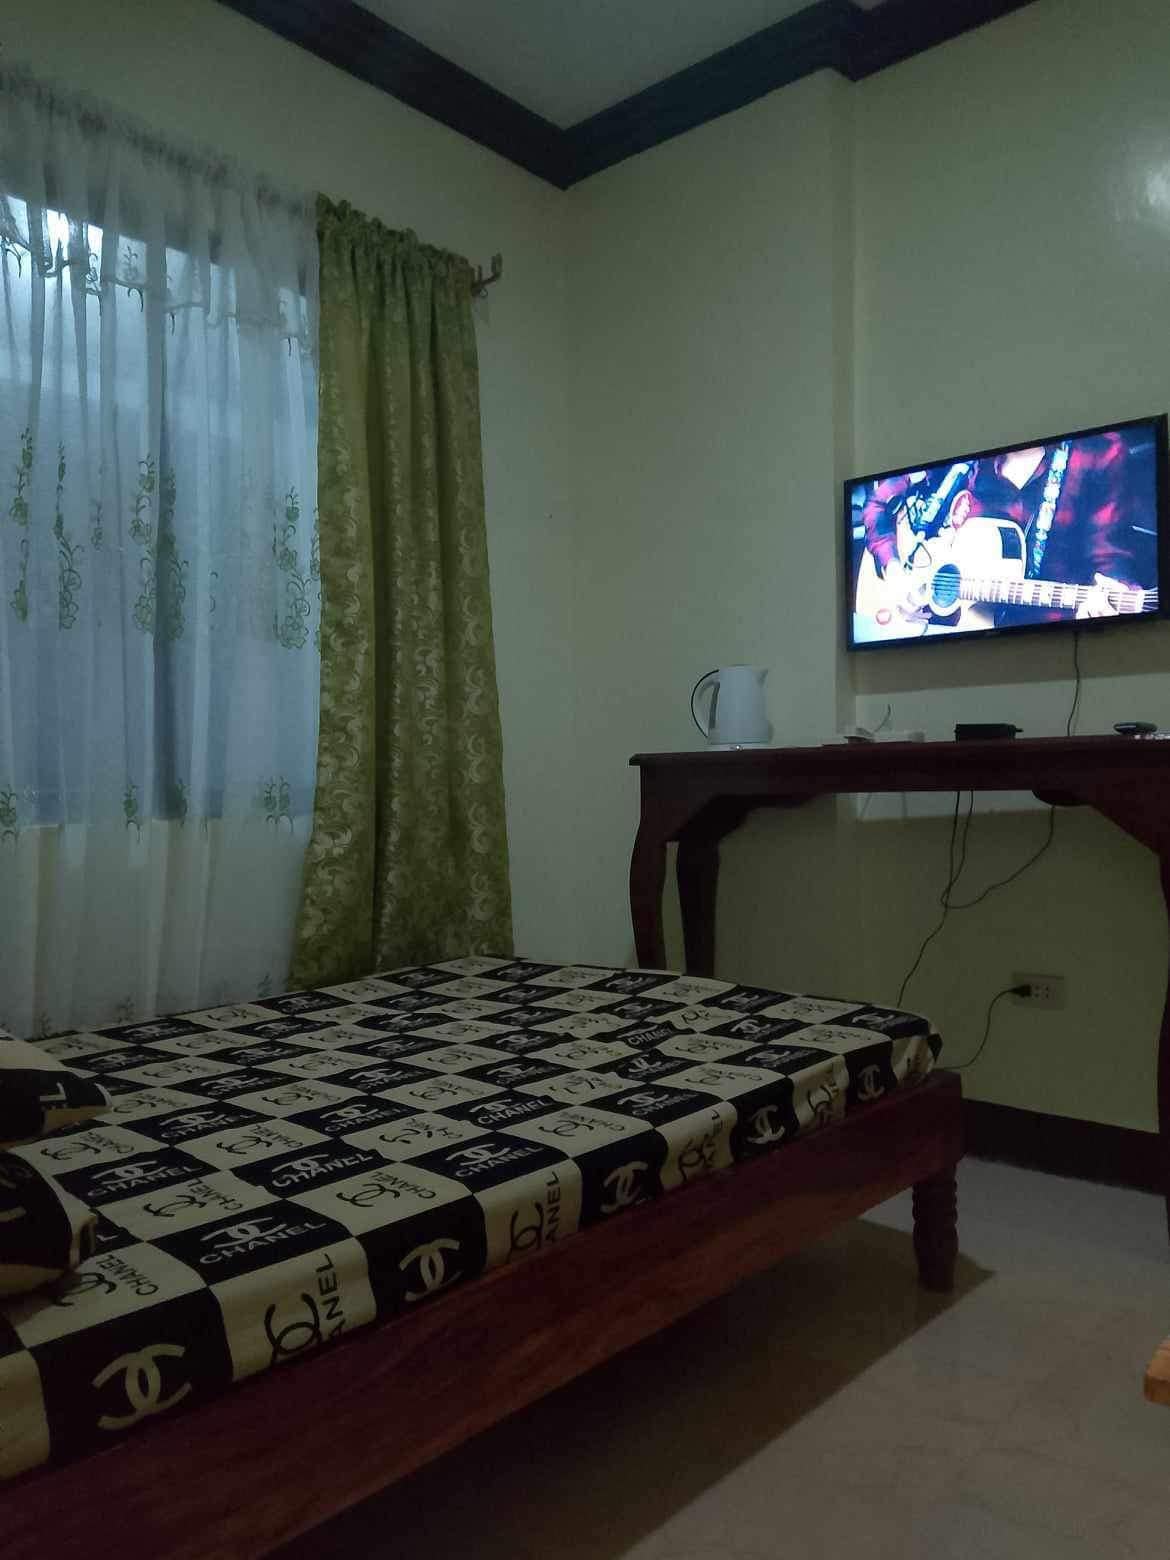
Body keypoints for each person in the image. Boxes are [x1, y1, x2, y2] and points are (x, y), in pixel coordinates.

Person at [860, 431, 1142, 629]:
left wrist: (1111, 599)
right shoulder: (956, 452)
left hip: (1050, 648)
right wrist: (896, 576)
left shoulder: (1099, 450)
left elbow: (1111, 563)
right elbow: (877, 505)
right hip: (942, 641)